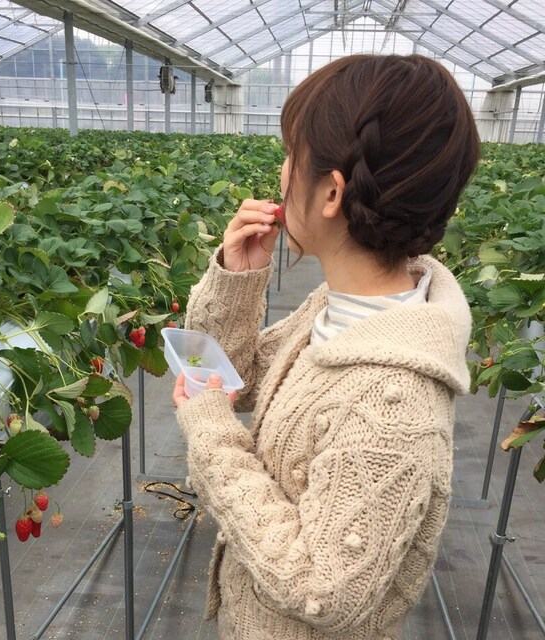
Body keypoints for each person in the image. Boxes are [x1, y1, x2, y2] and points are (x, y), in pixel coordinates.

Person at [172, 54, 480, 640]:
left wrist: (210, 435)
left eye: (292, 154)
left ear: (333, 192)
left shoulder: (394, 405)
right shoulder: (340, 308)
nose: (282, 171)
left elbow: (318, 589)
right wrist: (238, 280)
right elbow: (235, 380)